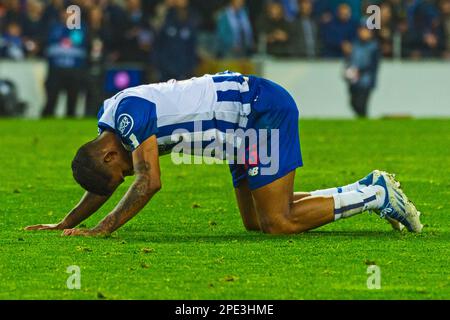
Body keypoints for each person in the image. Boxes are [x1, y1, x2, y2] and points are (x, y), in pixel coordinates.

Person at [25, 71, 422, 236]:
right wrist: (64, 223)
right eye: (120, 180)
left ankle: (375, 196)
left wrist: (102, 230)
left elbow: (150, 182)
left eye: (120, 174)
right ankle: (366, 188)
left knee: (278, 221)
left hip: (258, 112)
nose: (126, 176)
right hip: (236, 133)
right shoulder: (108, 124)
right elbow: (104, 184)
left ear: (110, 156)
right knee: (256, 222)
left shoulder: (129, 118)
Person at [41, 8, 89, 117]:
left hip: (74, 69)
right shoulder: (55, 27)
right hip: (56, 69)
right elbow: (48, 46)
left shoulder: (81, 29)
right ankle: (47, 117)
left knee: (73, 98)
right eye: (67, 13)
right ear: (62, 14)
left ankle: (70, 117)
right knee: (52, 97)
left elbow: (84, 48)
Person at [344, 25, 380, 118]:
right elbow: (349, 60)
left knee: (361, 104)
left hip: (366, 80)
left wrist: (360, 71)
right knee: (353, 103)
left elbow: (373, 65)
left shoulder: (374, 47)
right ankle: (362, 119)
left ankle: (363, 119)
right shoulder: (354, 45)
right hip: (354, 80)